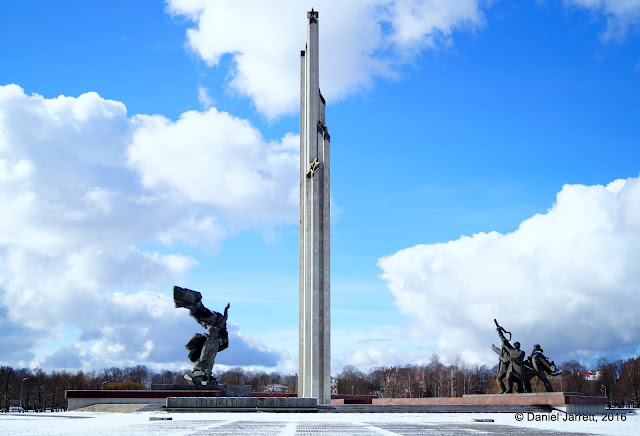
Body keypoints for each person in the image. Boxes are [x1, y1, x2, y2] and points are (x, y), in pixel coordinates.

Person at [174, 286, 230, 386]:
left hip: (215, 343)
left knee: (210, 360)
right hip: (208, 343)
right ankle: (198, 372)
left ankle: (206, 374)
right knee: (203, 357)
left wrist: (226, 309)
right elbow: (201, 319)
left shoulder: (217, 327)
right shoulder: (209, 326)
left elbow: (224, 319)